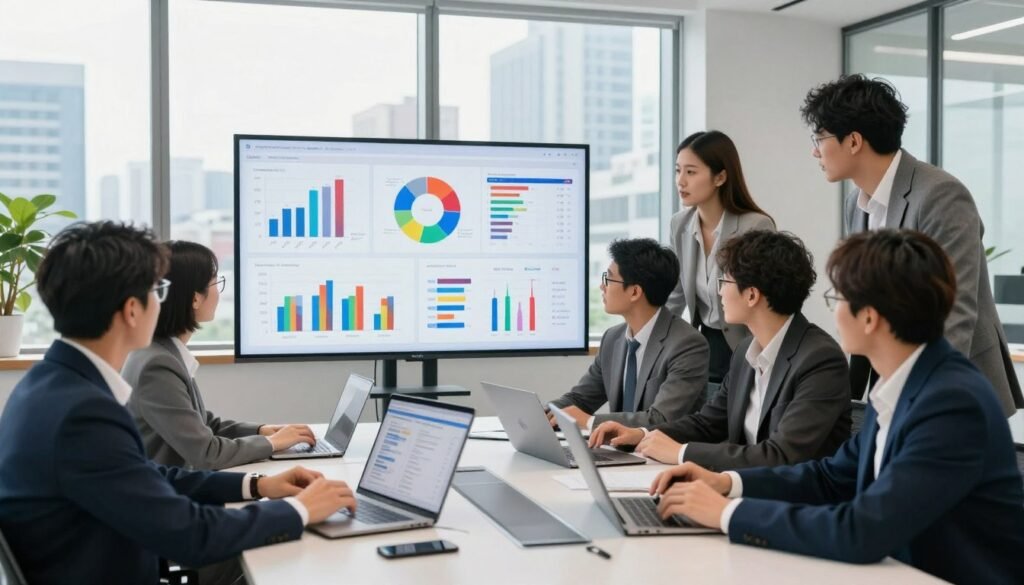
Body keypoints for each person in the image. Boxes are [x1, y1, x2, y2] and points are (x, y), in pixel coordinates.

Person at [649, 229, 1024, 585]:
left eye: (838, 299)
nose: (833, 313)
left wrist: (725, 514)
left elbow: (864, 530)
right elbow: (830, 477)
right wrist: (726, 482)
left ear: (869, 317)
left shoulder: (951, 402)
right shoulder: (902, 382)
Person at [0, 222, 356, 585]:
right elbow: (189, 535)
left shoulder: (47, 385)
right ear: (132, 310)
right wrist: (298, 509)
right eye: (158, 289)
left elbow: (149, 474)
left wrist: (258, 485)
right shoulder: (82, 413)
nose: (163, 300)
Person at [802, 73, 1023, 416]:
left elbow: (955, 310)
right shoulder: (855, 203)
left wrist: (926, 402)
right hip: (889, 378)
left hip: (950, 385)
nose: (814, 151)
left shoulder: (940, 195)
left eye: (820, 137)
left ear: (854, 141)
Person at [589, 230, 850, 469]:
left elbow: (780, 456)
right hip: (743, 489)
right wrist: (642, 435)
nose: (719, 293)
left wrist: (681, 453)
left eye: (724, 281)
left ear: (751, 295)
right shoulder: (746, 351)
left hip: (793, 504)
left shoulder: (819, 359)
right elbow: (708, 423)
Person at [124, 241, 314, 470]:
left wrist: (260, 431)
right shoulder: (157, 364)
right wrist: (271, 443)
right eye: (216, 282)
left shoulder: (162, 351)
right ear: (195, 298)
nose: (218, 291)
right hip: (169, 495)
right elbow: (206, 454)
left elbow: (202, 424)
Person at [547, 238, 709, 430]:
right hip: (618, 452)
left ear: (634, 292)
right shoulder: (612, 338)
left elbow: (661, 419)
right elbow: (581, 399)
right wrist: (542, 414)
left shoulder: (687, 344)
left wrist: (590, 422)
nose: (602, 286)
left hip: (663, 456)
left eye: (608, 279)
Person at [664, 130, 775, 385]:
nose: (681, 181)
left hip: (748, 343)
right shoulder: (679, 225)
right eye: (677, 170)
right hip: (705, 343)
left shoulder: (755, 225)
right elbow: (676, 296)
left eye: (691, 172)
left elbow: (766, 303)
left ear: (720, 177)